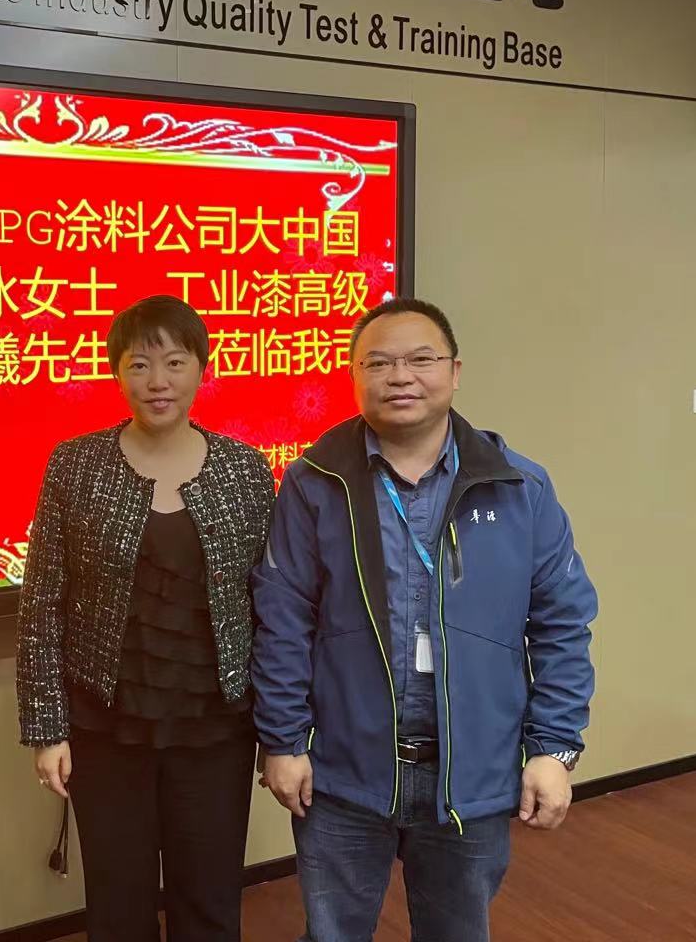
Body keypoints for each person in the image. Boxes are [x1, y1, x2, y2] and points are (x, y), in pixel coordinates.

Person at [251, 297, 598, 942]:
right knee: (332, 933)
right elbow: (283, 619)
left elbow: (562, 624)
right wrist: (283, 740)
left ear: (455, 371)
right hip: (343, 769)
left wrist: (553, 748)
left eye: (420, 359)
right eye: (378, 363)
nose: (400, 376)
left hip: (473, 768)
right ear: (355, 375)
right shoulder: (313, 482)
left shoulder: (518, 487)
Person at [16, 295, 276, 942]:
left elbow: (271, 606)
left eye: (175, 362)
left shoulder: (245, 469)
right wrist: (47, 729)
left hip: (216, 728)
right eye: (139, 364)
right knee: (117, 901)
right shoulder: (75, 465)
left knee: (210, 896)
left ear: (201, 369)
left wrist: (282, 730)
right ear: (117, 372)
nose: (158, 381)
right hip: (106, 728)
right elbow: (42, 604)